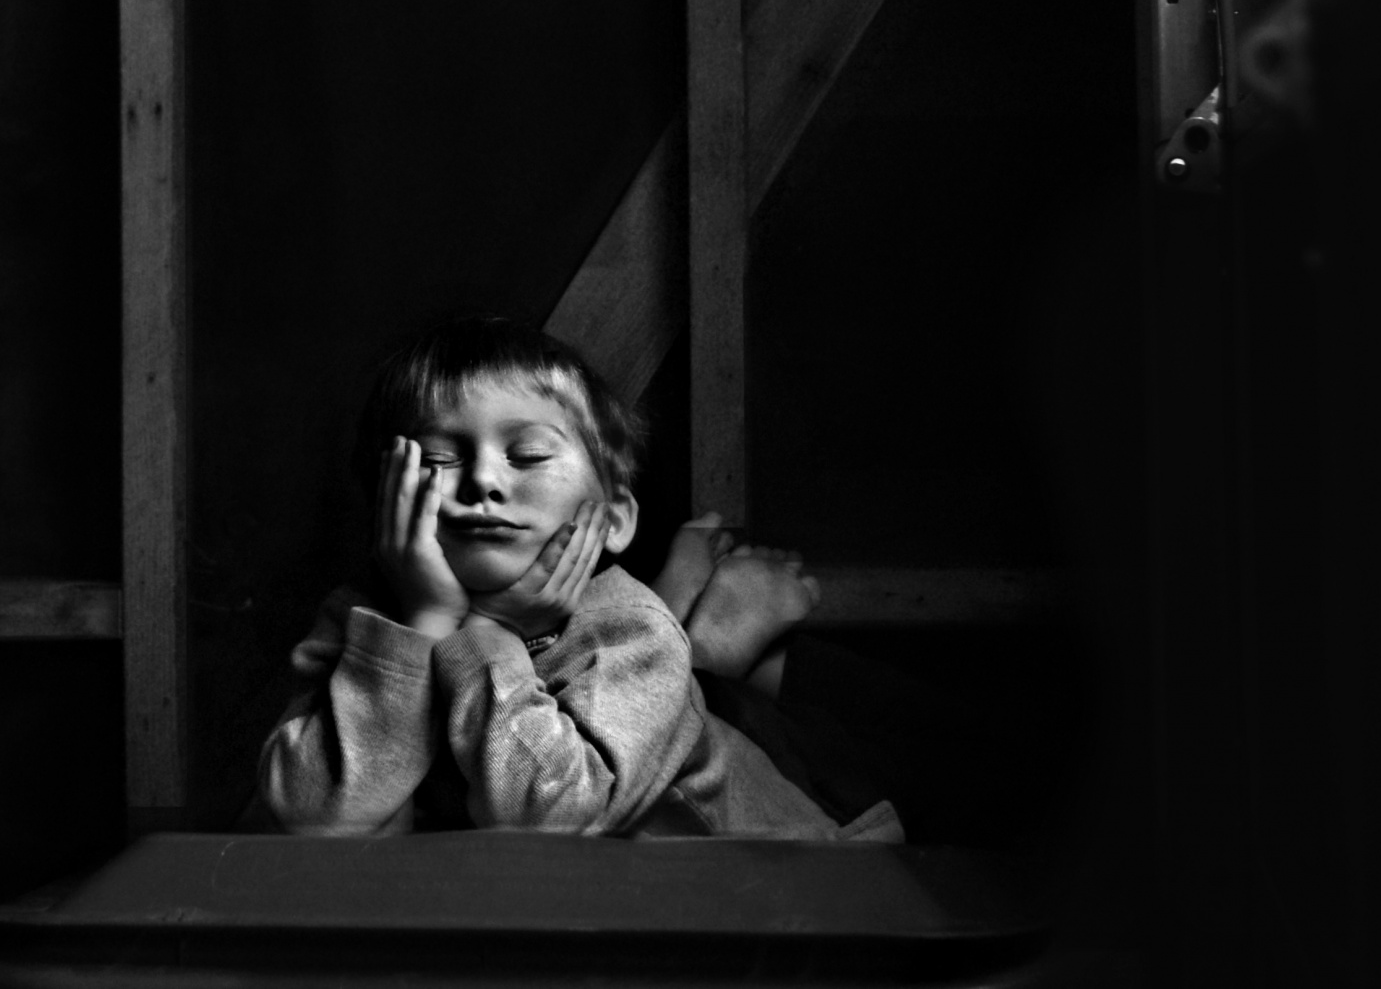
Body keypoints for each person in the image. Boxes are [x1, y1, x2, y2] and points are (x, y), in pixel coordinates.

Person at [255, 314, 903, 839]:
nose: (484, 479)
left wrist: (487, 629)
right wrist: (422, 625)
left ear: (614, 519)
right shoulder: (360, 624)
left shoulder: (631, 630)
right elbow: (322, 823)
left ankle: (706, 634)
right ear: (384, 504)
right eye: (442, 458)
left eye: (529, 454)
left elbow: (551, 818)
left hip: (783, 899)